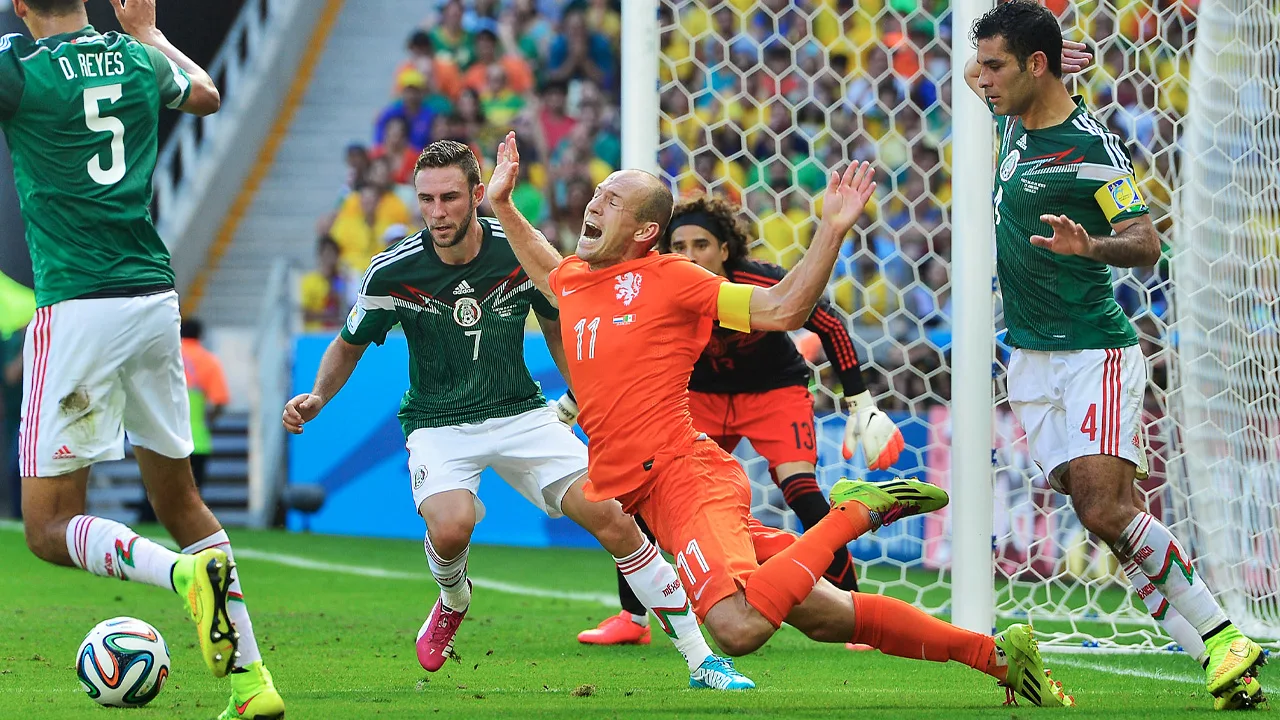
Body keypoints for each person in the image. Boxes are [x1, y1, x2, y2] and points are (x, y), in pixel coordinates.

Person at [486, 131, 1077, 707]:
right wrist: (504, 204)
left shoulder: (672, 278)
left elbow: (786, 308)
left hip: (686, 480)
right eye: (597, 196)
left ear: (644, 230)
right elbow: (543, 261)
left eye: (612, 200)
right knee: (826, 616)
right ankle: (996, 655)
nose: (594, 204)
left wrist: (831, 230)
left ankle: (850, 513)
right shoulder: (577, 279)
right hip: (653, 495)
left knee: (738, 630)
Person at [282, 141, 753, 691]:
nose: (437, 212)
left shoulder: (519, 252)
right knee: (453, 524)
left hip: (523, 413)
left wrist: (584, 399)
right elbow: (349, 341)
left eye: (450, 198)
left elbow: (562, 327)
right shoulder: (393, 270)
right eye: (427, 199)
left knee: (615, 521)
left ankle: (703, 661)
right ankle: (453, 598)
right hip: (439, 423)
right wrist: (318, 396)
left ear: (478, 196)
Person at [962, 1, 1265, 710]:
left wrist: (1089, 245)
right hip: (1031, 358)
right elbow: (1005, 72)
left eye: (996, 65)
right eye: (982, 64)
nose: (981, 78)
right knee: (1099, 506)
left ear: (1034, 67)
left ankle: (1223, 635)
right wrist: (1034, 66)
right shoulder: (1009, 117)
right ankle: (1225, 668)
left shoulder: (1089, 148)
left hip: (1094, 348)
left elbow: (1145, 240)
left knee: (1105, 510)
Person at [2, 1, 282, 718]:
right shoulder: (136, 59)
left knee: (47, 527)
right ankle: (252, 685)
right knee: (180, 500)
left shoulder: (17, 66)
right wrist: (149, 33)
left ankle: (179, 575)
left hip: (77, 305)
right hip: (154, 300)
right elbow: (208, 96)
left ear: (24, 7)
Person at [575, 193, 906, 646]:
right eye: (680, 246)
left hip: (773, 390)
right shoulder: (661, 284)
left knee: (803, 493)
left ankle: (853, 606)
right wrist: (572, 402)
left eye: (701, 245)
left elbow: (826, 323)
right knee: (645, 492)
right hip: (702, 398)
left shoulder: (756, 280)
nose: (689, 255)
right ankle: (633, 620)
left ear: (725, 249)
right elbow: (624, 354)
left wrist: (861, 404)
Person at [137, 318, 230, 524]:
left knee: (155, 488)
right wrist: (208, 420)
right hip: (197, 439)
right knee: (191, 495)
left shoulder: (164, 356)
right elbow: (220, 400)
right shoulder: (208, 360)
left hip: (161, 434)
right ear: (201, 336)